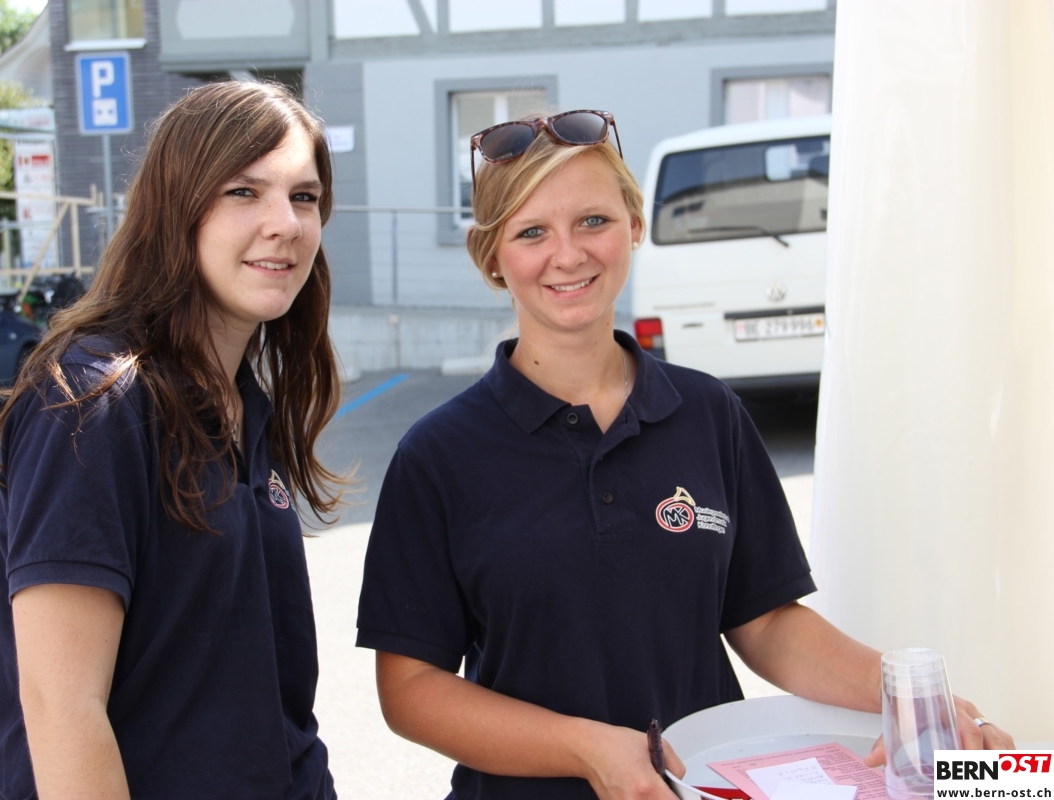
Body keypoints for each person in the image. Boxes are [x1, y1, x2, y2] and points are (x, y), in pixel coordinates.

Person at [355, 109, 1014, 800]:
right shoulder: (439, 455)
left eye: (593, 221)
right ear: (489, 254)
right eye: (531, 232)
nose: (568, 255)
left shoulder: (708, 413)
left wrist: (912, 699)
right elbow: (412, 690)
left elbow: (765, 621)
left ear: (635, 225)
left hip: (700, 787)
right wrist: (588, 751)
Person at [0, 80, 345, 799]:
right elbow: (61, 708)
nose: (286, 224)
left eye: (304, 197)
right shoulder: (92, 401)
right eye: (244, 191)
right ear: (177, 207)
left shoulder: (244, 405)